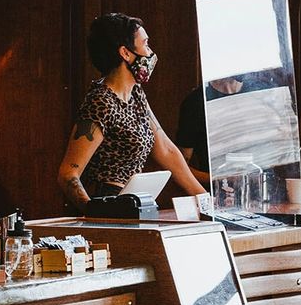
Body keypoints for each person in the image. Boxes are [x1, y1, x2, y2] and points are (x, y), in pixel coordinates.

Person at [58, 13, 208, 212]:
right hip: (107, 207)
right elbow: (68, 174)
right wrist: (94, 213)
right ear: (125, 53)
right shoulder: (101, 101)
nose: (151, 52)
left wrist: (206, 201)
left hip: (129, 205)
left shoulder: (136, 94)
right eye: (145, 44)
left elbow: (166, 150)